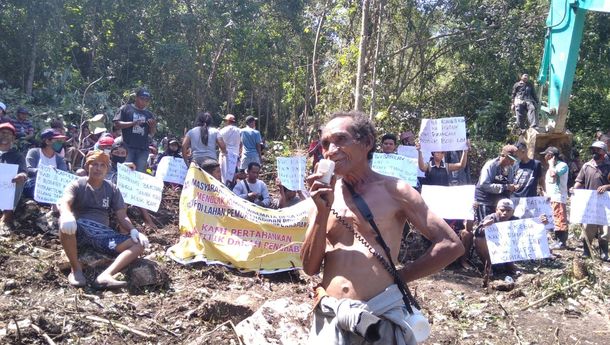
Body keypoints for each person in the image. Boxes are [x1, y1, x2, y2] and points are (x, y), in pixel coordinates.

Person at [302, 111, 464, 344]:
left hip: (379, 316)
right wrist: (321, 212)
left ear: (367, 142)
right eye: (326, 143)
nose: (330, 149)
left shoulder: (396, 191)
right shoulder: (321, 197)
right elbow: (309, 267)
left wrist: (398, 278)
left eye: (340, 139)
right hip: (331, 315)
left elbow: (450, 245)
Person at [58, 151, 149, 288]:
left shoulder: (112, 189)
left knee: (139, 244)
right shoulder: (77, 184)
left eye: (102, 165)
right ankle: (76, 269)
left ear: (107, 169)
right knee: (64, 225)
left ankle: (106, 275)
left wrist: (133, 230)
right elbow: (65, 201)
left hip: (104, 236)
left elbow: (122, 215)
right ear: (87, 166)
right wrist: (66, 214)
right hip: (79, 231)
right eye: (94, 164)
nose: (98, 168)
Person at [474, 199, 547, 276]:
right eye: (502, 210)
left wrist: (540, 223)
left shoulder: (515, 220)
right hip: (492, 252)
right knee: (478, 239)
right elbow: (477, 233)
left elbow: (529, 231)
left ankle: (510, 266)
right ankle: (488, 267)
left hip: (507, 251)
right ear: (496, 209)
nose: (505, 213)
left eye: (508, 210)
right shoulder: (490, 218)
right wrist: (484, 226)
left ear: (513, 211)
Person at [574, 140, 610, 261]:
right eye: (593, 149)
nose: (595, 152)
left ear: (604, 152)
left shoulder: (609, 166)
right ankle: (586, 251)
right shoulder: (587, 166)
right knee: (588, 227)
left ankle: (604, 252)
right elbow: (579, 181)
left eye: (598, 149)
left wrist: (606, 187)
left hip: (606, 202)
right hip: (590, 202)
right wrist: (574, 189)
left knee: (605, 229)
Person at [112, 88, 157, 173]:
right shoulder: (126, 109)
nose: (144, 102)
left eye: (147, 100)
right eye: (142, 98)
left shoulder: (149, 114)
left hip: (143, 149)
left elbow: (152, 134)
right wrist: (133, 123)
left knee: (139, 174)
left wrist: (153, 126)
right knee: (125, 171)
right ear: (136, 98)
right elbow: (116, 124)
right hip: (127, 147)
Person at [474, 145, 518, 221]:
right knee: (486, 227)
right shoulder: (491, 165)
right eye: (510, 160)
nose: (512, 163)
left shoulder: (510, 168)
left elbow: (509, 184)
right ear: (503, 156)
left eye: (513, 160)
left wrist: (513, 188)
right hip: (485, 201)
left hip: (498, 205)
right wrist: (505, 187)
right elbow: (484, 185)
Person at [24, 128, 69, 198]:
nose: (60, 143)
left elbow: (63, 174)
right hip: (36, 184)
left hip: (54, 186)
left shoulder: (60, 159)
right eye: (57, 140)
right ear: (47, 141)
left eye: (61, 141)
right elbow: (27, 169)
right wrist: (44, 171)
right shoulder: (34, 152)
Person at [541, 146, 569, 249]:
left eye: (546, 154)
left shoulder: (562, 165)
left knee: (559, 218)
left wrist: (551, 164)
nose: (544, 157)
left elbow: (554, 175)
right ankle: (556, 240)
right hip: (550, 197)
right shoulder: (550, 167)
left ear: (551, 156)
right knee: (553, 218)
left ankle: (562, 242)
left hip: (558, 196)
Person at [0, 123, 27, 230]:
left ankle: (7, 213)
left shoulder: (17, 156)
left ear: (13, 138)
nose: (5, 136)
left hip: (6, 191)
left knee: (20, 180)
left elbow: (24, 172)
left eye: (8, 134)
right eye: (2, 133)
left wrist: (21, 176)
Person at [219, 114, 241, 184]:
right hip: (235, 155)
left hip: (225, 154)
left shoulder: (222, 130)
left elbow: (219, 142)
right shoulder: (239, 131)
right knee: (233, 174)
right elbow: (241, 143)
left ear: (227, 121)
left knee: (223, 174)